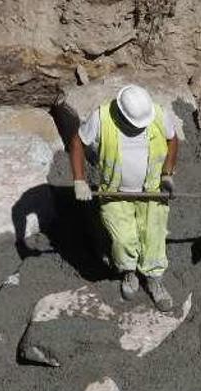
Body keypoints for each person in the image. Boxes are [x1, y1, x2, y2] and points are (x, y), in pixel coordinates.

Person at [67, 84, 179, 312]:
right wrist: (79, 180)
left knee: (154, 236)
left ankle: (154, 279)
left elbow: (173, 139)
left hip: (152, 190)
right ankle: (129, 273)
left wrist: (168, 173)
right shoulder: (102, 118)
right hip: (114, 193)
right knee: (123, 240)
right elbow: (77, 142)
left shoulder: (157, 114)